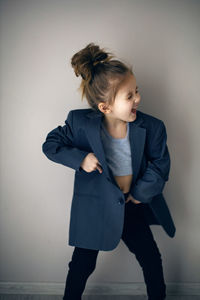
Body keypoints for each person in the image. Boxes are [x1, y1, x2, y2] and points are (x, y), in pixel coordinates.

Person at [42, 42, 176, 300]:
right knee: (82, 264)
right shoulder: (79, 124)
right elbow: (51, 145)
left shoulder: (153, 127)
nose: (137, 98)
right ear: (105, 107)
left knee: (150, 258)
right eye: (129, 96)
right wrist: (81, 158)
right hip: (94, 208)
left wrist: (139, 193)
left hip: (132, 205)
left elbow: (160, 164)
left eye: (137, 91)